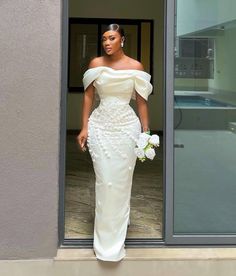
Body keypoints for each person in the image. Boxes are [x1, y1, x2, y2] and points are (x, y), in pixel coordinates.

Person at [77, 23, 153, 261]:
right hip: (100, 127)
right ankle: (104, 240)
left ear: (122, 40)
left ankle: (117, 234)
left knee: (121, 182)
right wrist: (85, 126)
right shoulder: (96, 65)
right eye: (104, 39)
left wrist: (146, 133)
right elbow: (88, 96)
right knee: (105, 181)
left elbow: (141, 102)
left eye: (111, 38)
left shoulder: (135, 67)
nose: (107, 43)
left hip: (126, 129)